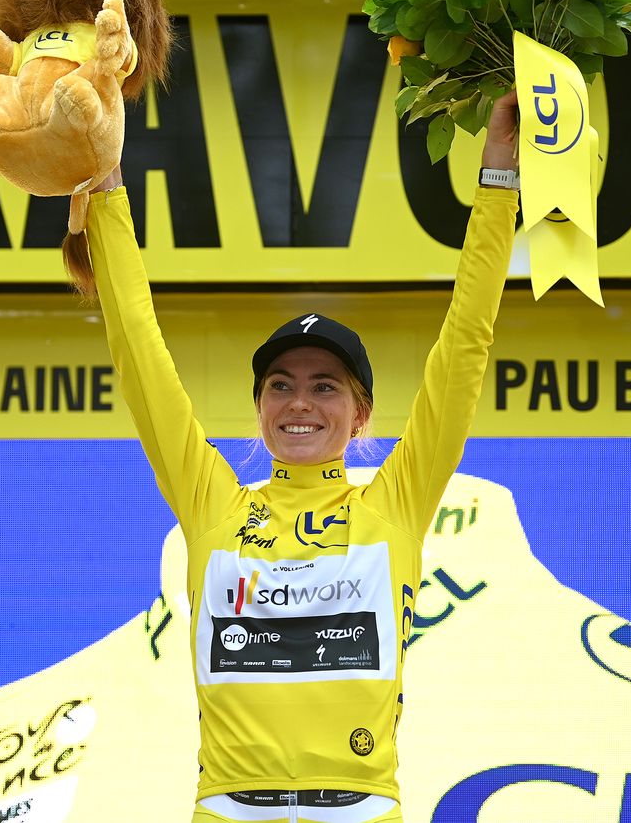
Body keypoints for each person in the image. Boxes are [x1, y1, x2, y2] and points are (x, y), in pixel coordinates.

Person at [81, 85, 522, 823]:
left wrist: (500, 180)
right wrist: (104, 186)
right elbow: (138, 350)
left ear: (359, 415)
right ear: (258, 409)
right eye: (280, 385)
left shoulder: (395, 502)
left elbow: (465, 342)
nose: (300, 402)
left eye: (325, 386)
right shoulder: (214, 502)